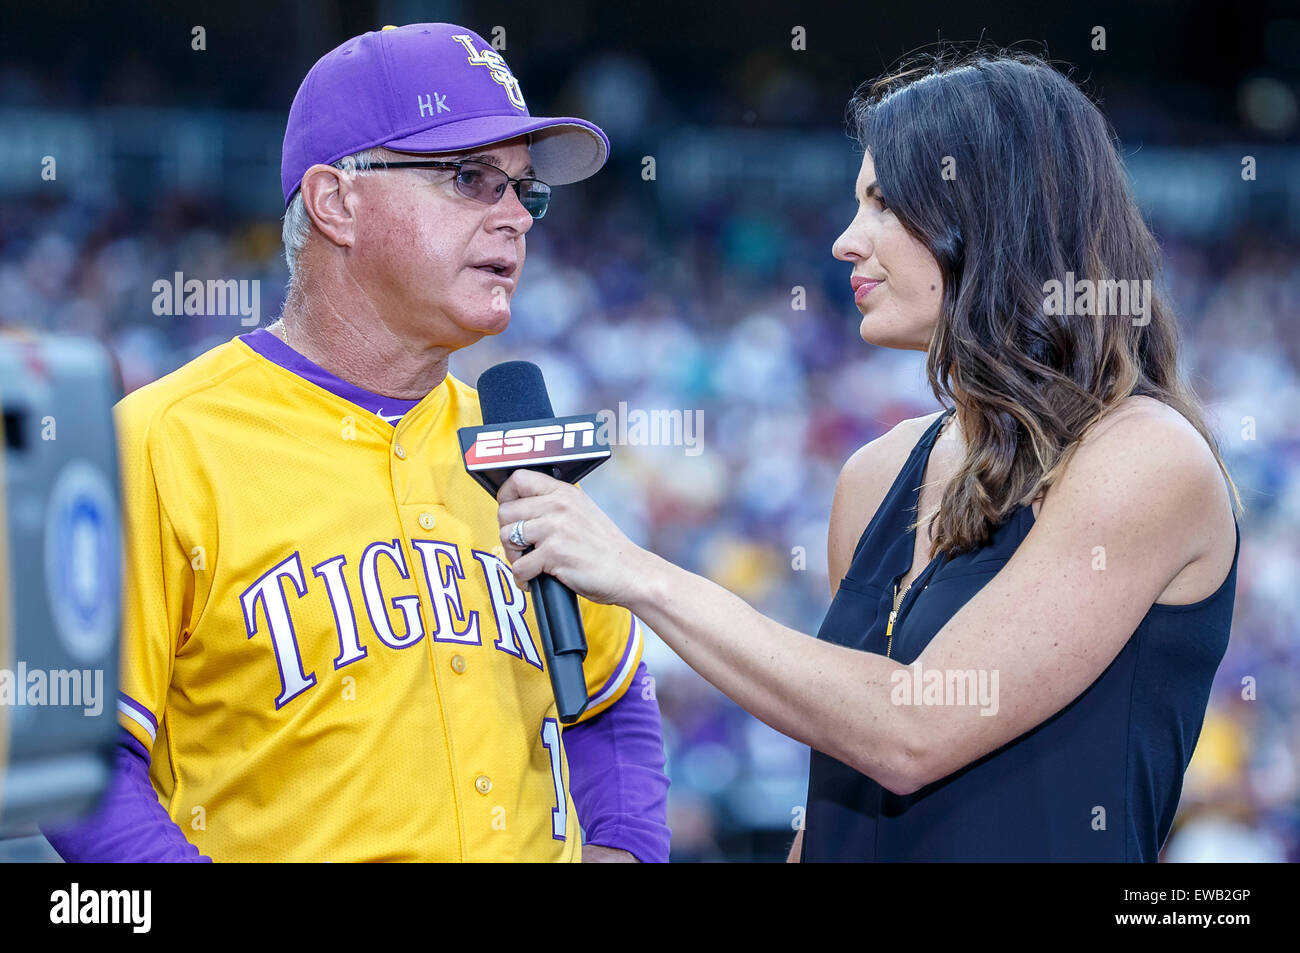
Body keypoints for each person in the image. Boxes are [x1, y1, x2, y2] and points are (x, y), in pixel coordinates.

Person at [492, 49, 1243, 862]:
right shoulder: (878, 476)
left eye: (884, 204)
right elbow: (839, 791)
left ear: (997, 211)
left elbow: (911, 727)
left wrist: (636, 572)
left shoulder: (1145, 457)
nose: (847, 241)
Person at [43, 22, 670, 863]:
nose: (518, 216)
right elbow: (80, 759)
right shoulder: (158, 441)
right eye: (470, 178)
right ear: (338, 201)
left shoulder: (516, 443)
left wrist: (627, 850)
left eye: (526, 189)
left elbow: (609, 693)